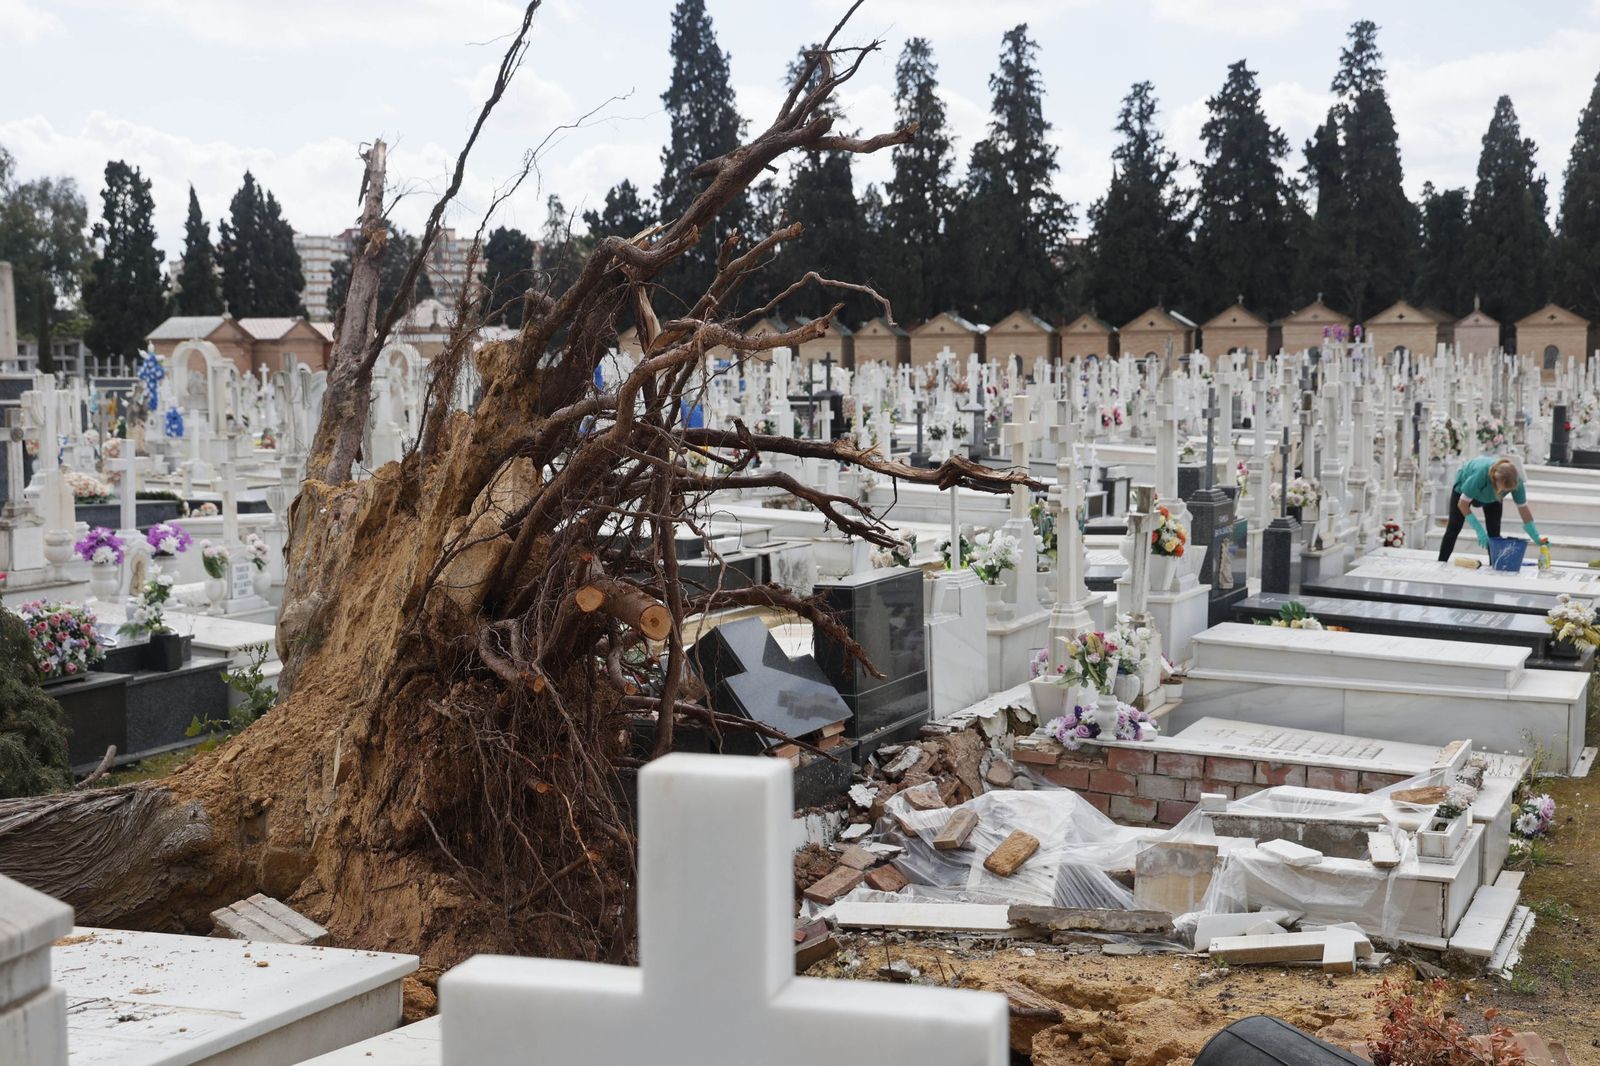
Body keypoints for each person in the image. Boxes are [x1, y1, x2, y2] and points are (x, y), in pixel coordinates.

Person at [1436, 455, 1542, 561]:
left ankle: (1495, 566)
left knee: (1494, 533)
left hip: (1493, 497)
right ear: (1496, 480)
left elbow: (1523, 507)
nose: (1506, 492)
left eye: (1508, 490)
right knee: (1454, 528)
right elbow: (1462, 503)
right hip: (1464, 490)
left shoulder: (1515, 481)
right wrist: (1479, 530)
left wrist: (1534, 534)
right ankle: (1441, 561)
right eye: (1505, 489)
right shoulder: (1480, 474)